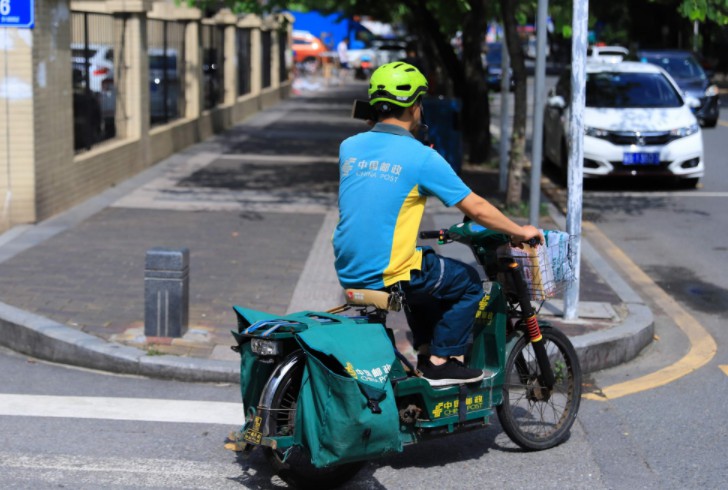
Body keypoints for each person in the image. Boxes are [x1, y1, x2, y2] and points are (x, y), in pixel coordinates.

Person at [332, 62, 544, 387]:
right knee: (468, 282)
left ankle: (425, 349)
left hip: (349, 267)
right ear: (417, 106)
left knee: (428, 267)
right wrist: (520, 231)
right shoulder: (422, 157)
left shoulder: (350, 147)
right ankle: (441, 360)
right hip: (388, 271)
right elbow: (476, 207)